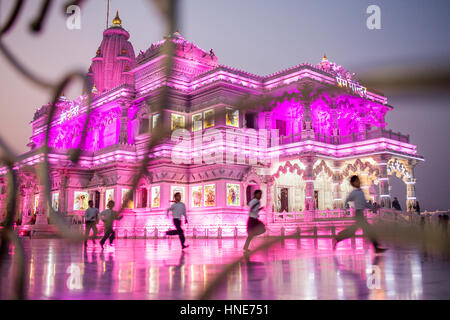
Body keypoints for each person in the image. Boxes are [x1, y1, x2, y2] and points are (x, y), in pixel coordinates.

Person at [333, 175, 387, 253]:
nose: (358, 182)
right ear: (353, 183)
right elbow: (347, 199)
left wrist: (374, 207)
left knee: (353, 231)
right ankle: (376, 247)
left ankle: (337, 238)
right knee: (368, 230)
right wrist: (344, 210)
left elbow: (365, 204)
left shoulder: (360, 192)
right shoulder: (354, 192)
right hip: (358, 214)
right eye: (356, 181)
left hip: (360, 214)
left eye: (358, 180)